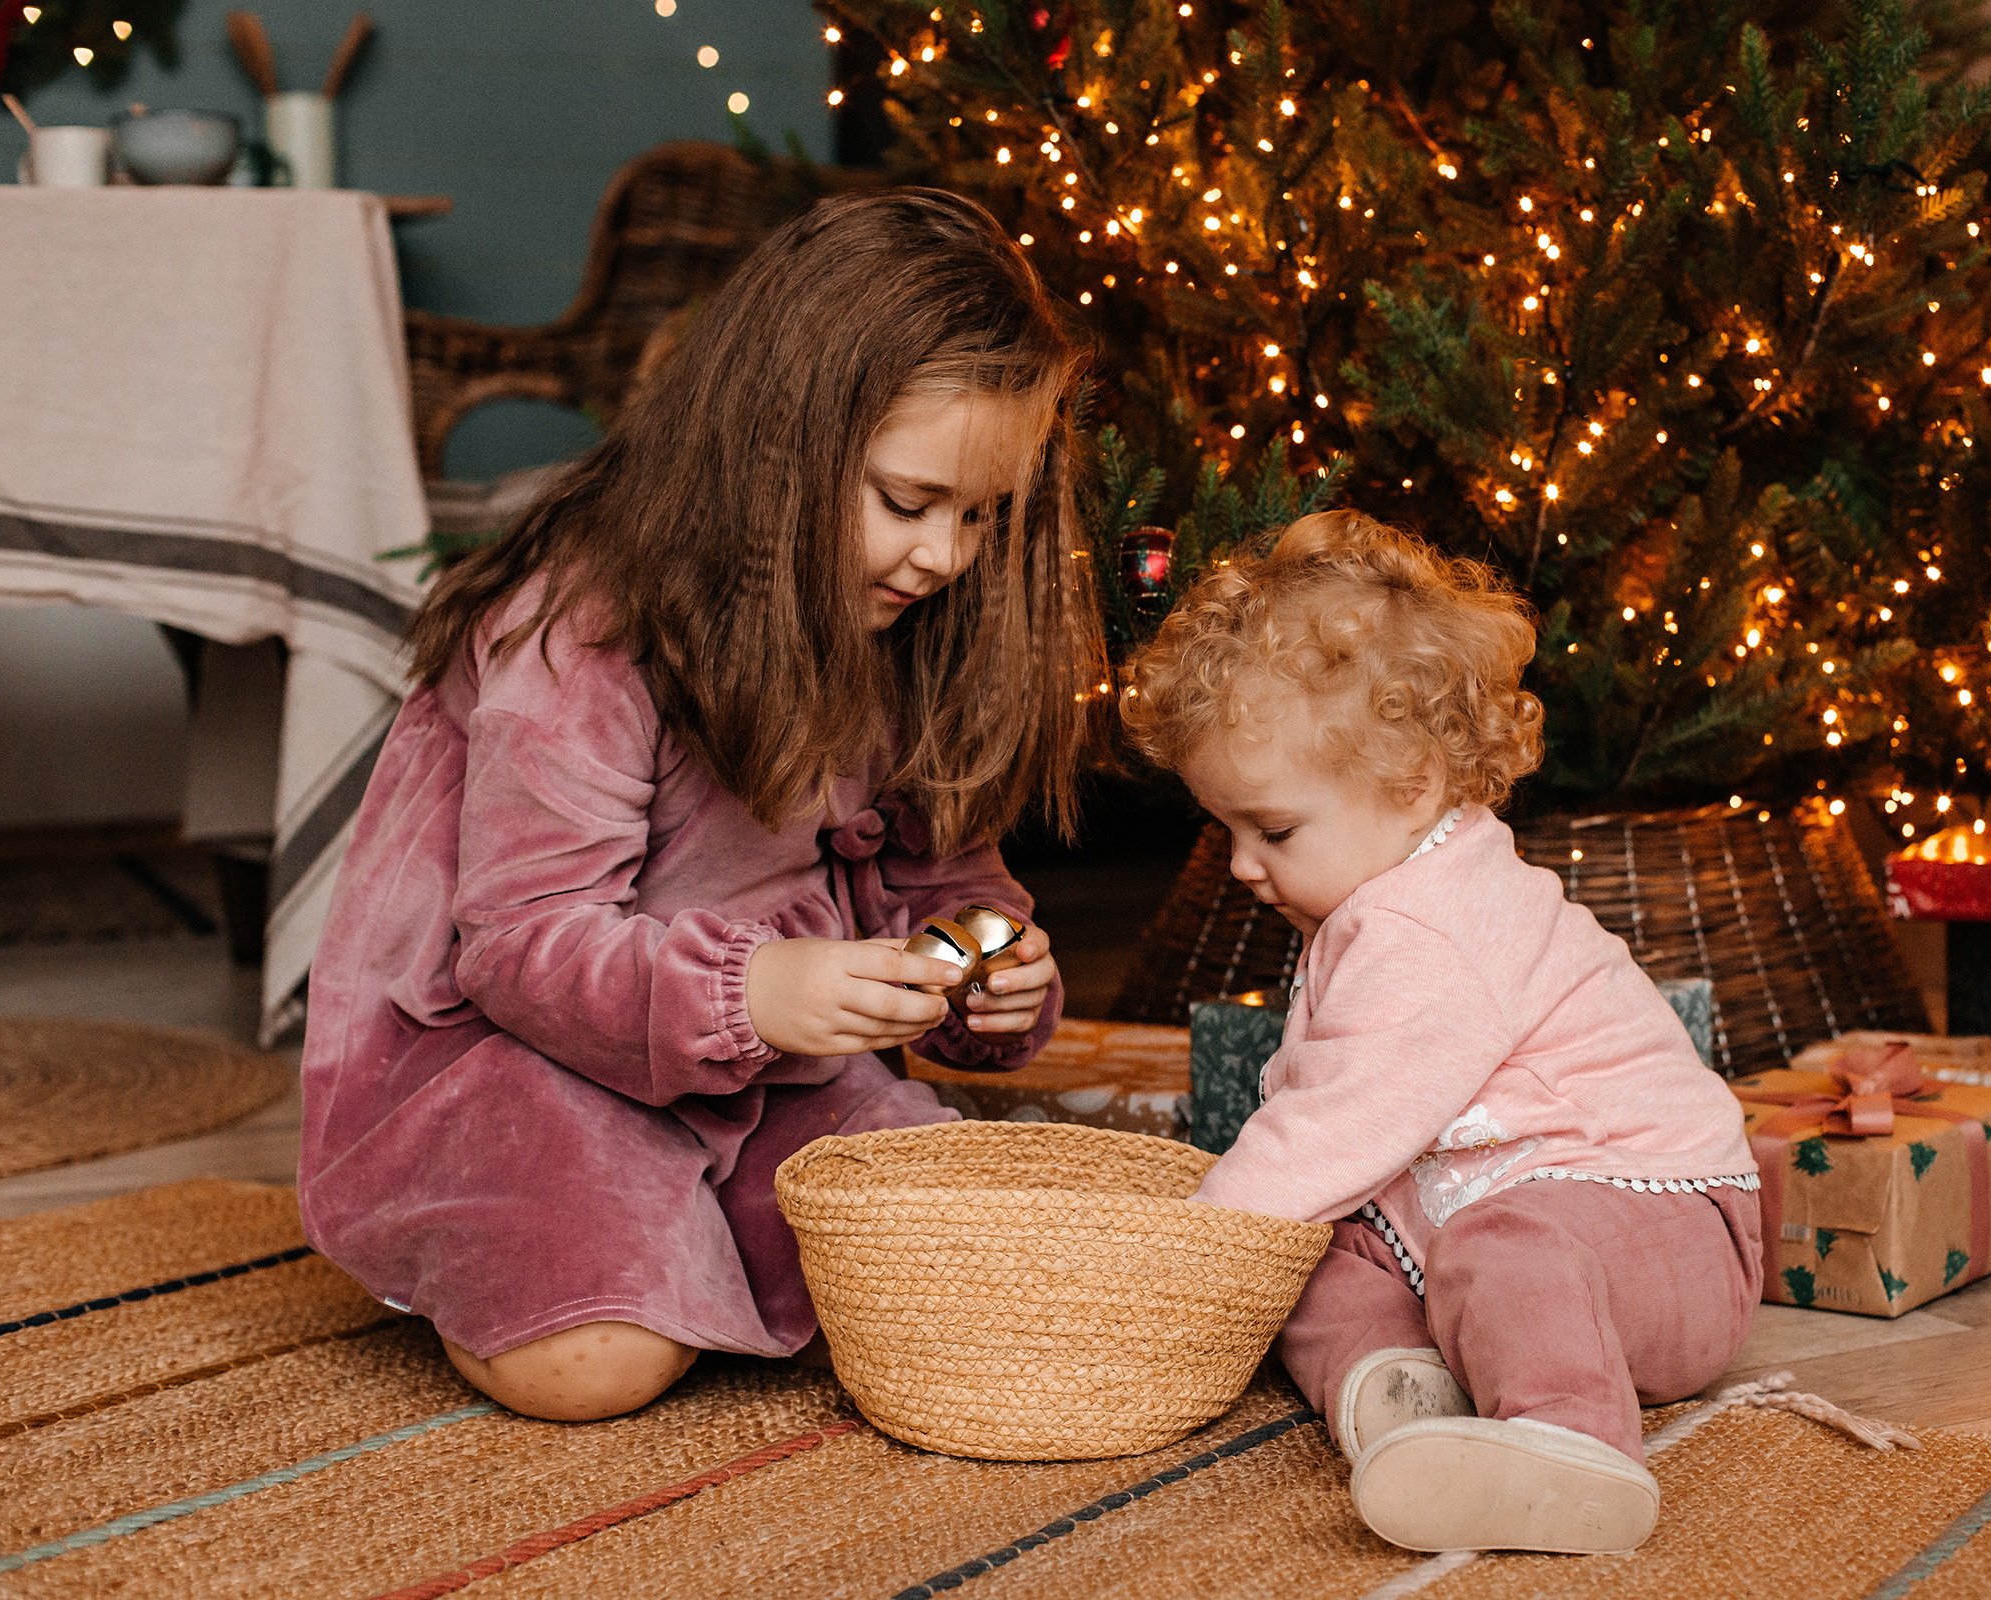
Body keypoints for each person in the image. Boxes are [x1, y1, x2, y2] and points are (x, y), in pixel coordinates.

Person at [299, 189, 1096, 1423]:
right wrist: (754, 993)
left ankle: (689, 1237)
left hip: (779, 1074)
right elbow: (517, 945)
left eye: (981, 516)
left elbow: (947, 883)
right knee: (592, 1368)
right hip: (526, 1060)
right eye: (908, 502)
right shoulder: (589, 628)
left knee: (978, 1265)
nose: (944, 557)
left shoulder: (910, 629)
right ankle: (499, 1251)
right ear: (782, 447)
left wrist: (988, 968)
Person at [1121, 511, 1761, 1555]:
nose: (1243, 864)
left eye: (1273, 830)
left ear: (1412, 785)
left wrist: (1190, 1253)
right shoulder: (1377, 895)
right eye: (1225, 829)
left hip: (1670, 1238)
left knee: (1501, 1246)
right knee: (1322, 1260)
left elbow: (1330, 1129)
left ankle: (1569, 1442)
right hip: (1480, 1226)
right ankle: (1400, 1394)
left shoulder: (1432, 928)